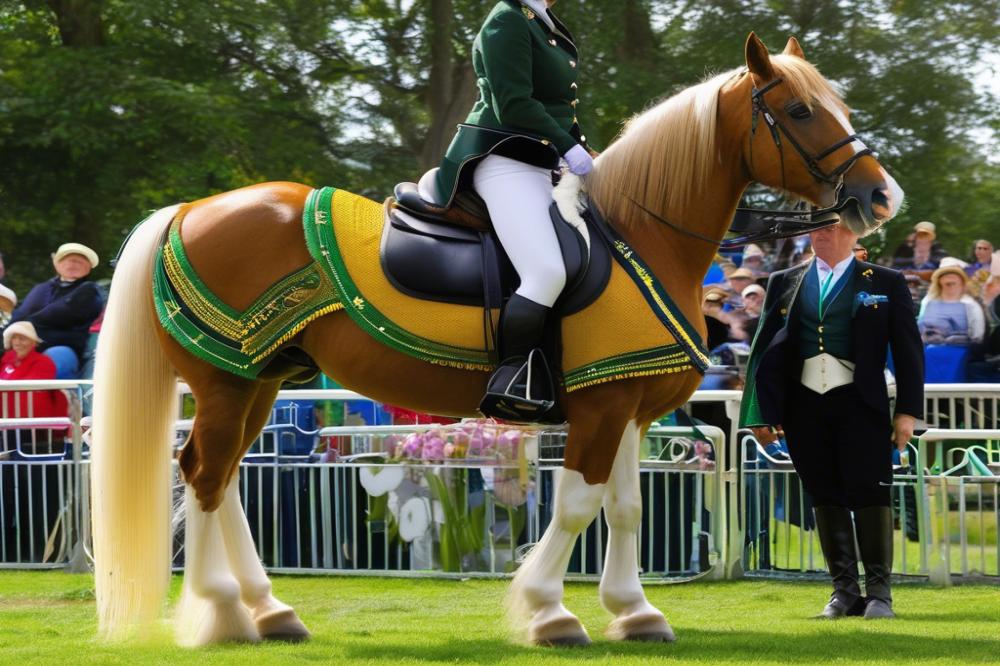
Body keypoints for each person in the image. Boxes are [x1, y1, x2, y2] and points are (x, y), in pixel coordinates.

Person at [740, 222, 923, 620]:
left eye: (831, 228)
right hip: (803, 404)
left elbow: (908, 349)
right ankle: (844, 591)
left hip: (861, 401)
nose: (820, 234)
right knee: (824, 493)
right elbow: (763, 347)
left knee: (870, 492)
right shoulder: (784, 280)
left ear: (855, 234)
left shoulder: (886, 280)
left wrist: (907, 411)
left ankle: (879, 594)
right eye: (816, 228)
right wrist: (758, 411)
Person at [423, 0, 593, 419]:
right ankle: (513, 377)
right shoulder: (507, 20)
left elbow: (557, 104)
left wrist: (581, 145)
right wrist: (568, 146)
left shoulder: (546, 24)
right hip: (503, 159)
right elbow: (514, 103)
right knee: (546, 270)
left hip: (541, 161)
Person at [6, 243, 103, 379]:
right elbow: (20, 313)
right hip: (26, 346)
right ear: (57, 264)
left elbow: (58, 313)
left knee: (56, 356)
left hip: (65, 348)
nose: (73, 264)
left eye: (80, 261)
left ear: (89, 268)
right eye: (68, 260)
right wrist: (9, 330)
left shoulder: (90, 291)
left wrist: (23, 327)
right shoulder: (42, 288)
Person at [1, 321, 68, 429]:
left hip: (31, 425)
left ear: (33, 342)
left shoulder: (44, 362)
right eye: (14, 338)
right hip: (6, 421)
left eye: (22, 338)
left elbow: (25, 387)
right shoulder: (7, 359)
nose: (17, 342)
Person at [918, 265, 986, 345]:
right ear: (939, 281)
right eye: (946, 275)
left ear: (961, 282)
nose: (950, 277)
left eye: (954, 275)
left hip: (959, 347)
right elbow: (920, 323)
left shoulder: (971, 304)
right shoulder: (928, 301)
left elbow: (977, 335)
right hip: (927, 345)